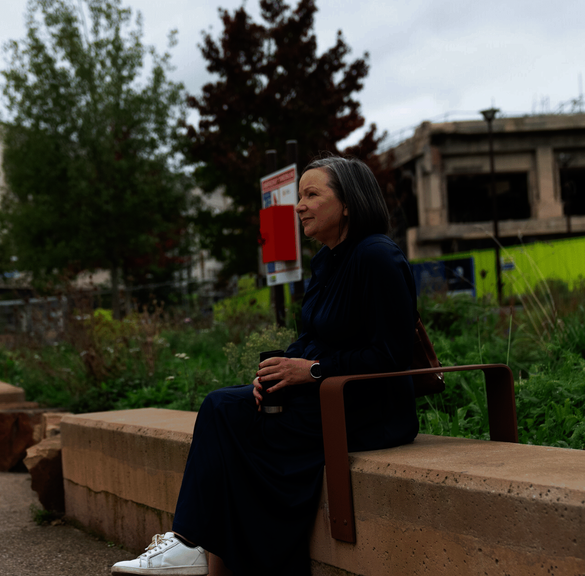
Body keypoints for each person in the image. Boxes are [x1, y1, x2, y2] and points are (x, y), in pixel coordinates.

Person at [111, 156, 419, 576]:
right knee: (228, 407)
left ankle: (197, 548)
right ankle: (194, 549)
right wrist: (275, 374)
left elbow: (392, 356)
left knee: (228, 415)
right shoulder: (329, 260)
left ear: (348, 203)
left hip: (370, 407)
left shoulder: (378, 257)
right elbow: (313, 336)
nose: (299, 206)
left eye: (312, 195)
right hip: (325, 397)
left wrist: (308, 372)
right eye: (298, 195)